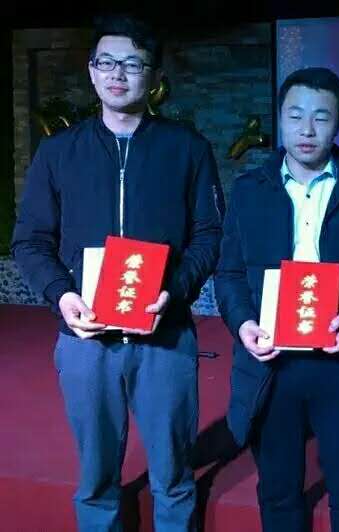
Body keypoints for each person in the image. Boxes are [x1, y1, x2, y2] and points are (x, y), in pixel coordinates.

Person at [11, 15, 223, 532]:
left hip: (164, 336)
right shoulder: (59, 153)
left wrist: (176, 290)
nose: (117, 74)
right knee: (96, 479)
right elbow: (30, 241)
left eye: (132, 63)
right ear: (91, 71)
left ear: (153, 76)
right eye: (106, 62)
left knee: (174, 477)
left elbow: (209, 234)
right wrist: (62, 295)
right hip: (86, 340)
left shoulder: (186, 148)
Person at [214, 67, 339, 532]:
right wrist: (243, 323)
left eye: (321, 117)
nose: (307, 129)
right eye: (295, 116)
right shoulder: (250, 191)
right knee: (278, 493)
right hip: (271, 362)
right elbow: (229, 273)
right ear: (280, 118)